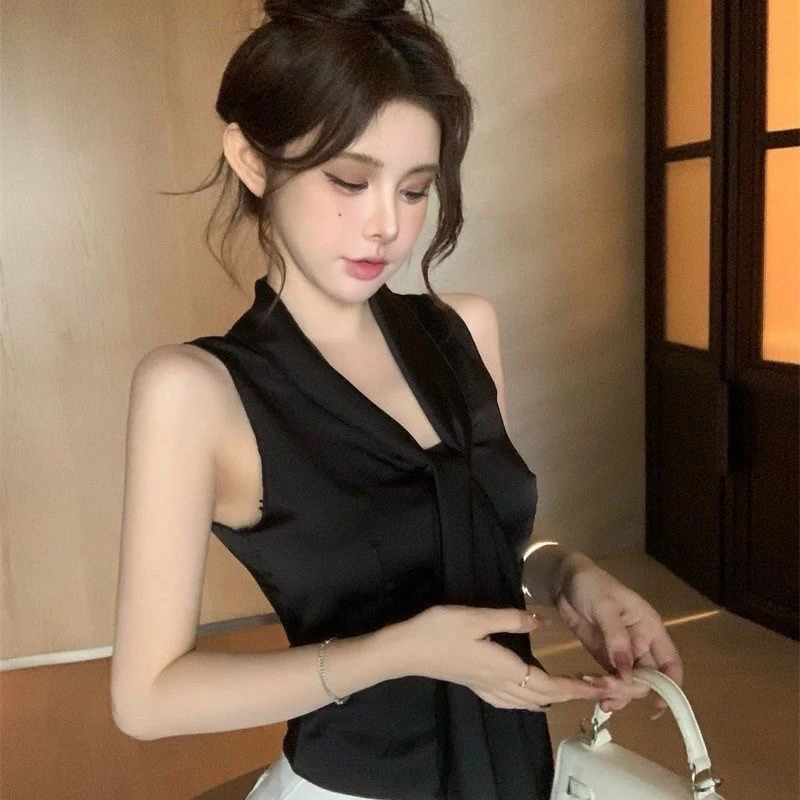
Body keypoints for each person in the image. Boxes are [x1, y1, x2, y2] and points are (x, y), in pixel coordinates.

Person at [110, 2, 683, 798]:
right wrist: (397, 653)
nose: (386, 225)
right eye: (349, 181)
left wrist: (568, 575)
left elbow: (481, 538)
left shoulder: (464, 330)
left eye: (414, 191)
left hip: (516, 772)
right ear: (251, 160)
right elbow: (146, 699)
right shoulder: (197, 391)